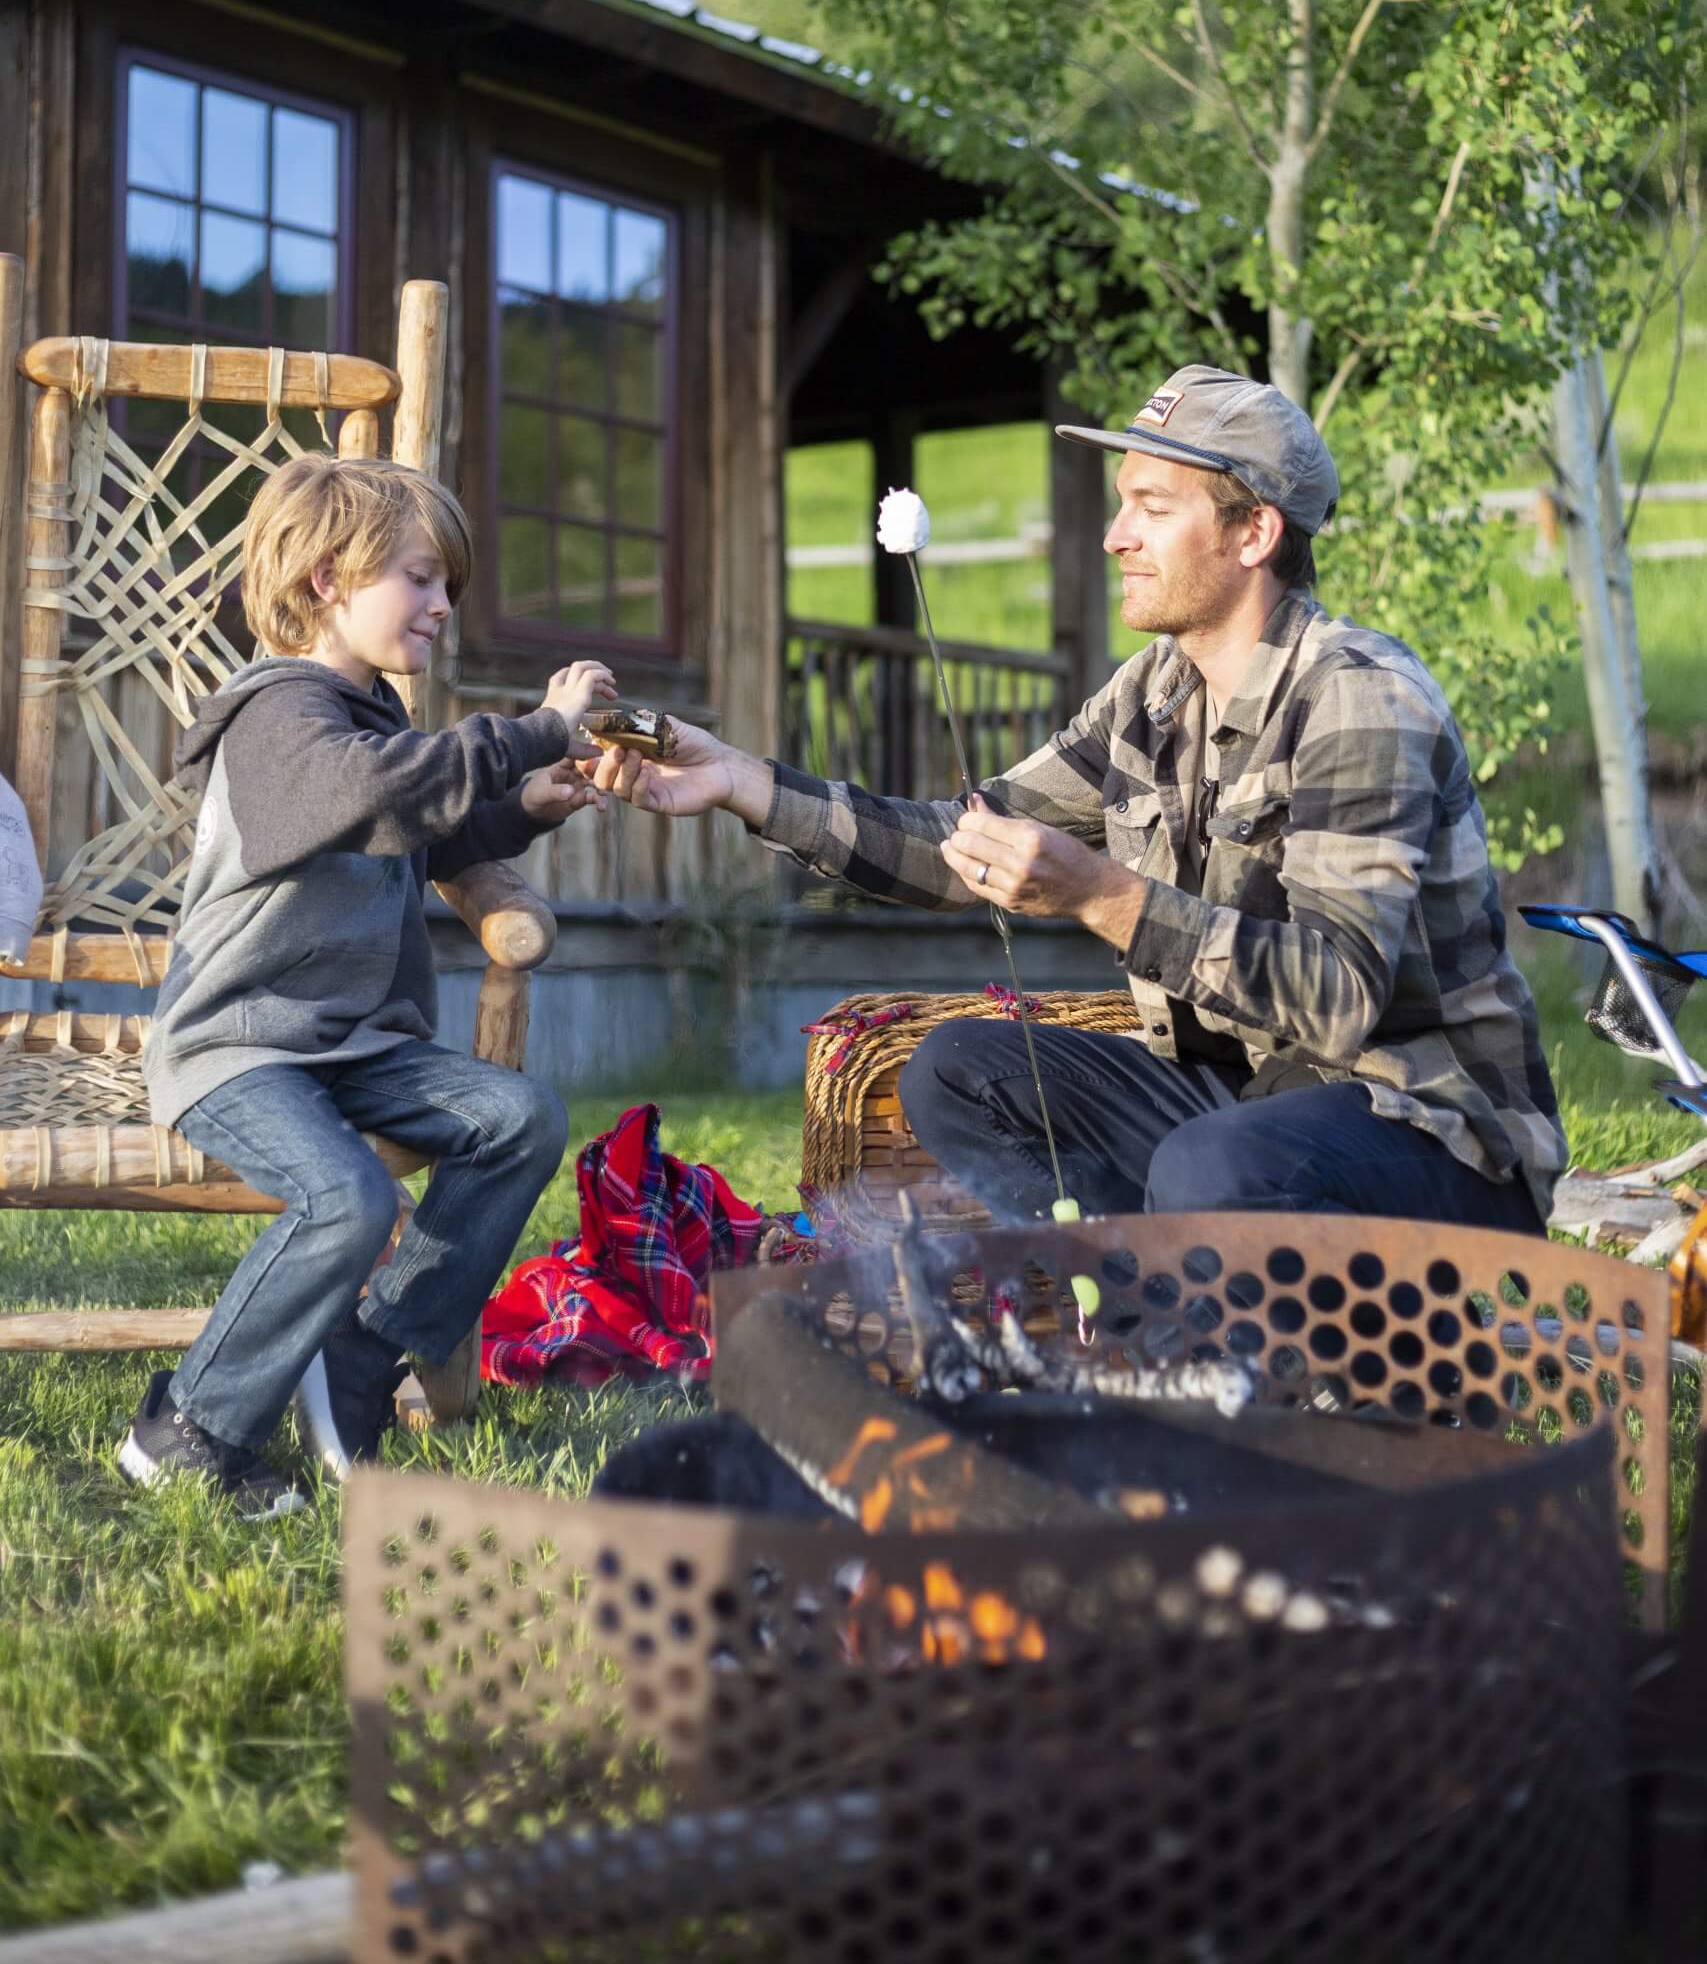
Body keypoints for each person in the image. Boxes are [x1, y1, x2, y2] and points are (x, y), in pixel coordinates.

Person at [585, 364, 1564, 1238]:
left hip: (1431, 1133)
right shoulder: (1151, 694)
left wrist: (1105, 896)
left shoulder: (1358, 696)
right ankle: (1121, 1315)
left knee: (1210, 1164)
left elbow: (1339, 996)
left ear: (1255, 529)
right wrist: (741, 783)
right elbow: (957, 842)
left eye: (1152, 505)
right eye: (1120, 502)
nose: (1114, 535)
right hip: (1246, 1102)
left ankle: (1218, 1361)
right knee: (957, 1071)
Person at [122, 455, 614, 1517]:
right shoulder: (278, 718)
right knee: (346, 1198)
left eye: (447, 585)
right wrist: (535, 727)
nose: (443, 606)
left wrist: (532, 798)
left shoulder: (372, 718)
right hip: (239, 1045)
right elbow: (377, 794)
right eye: (422, 578)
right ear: (327, 582)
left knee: (518, 1117)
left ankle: (359, 1361)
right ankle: (190, 1427)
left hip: (355, 1047)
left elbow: (417, 830)